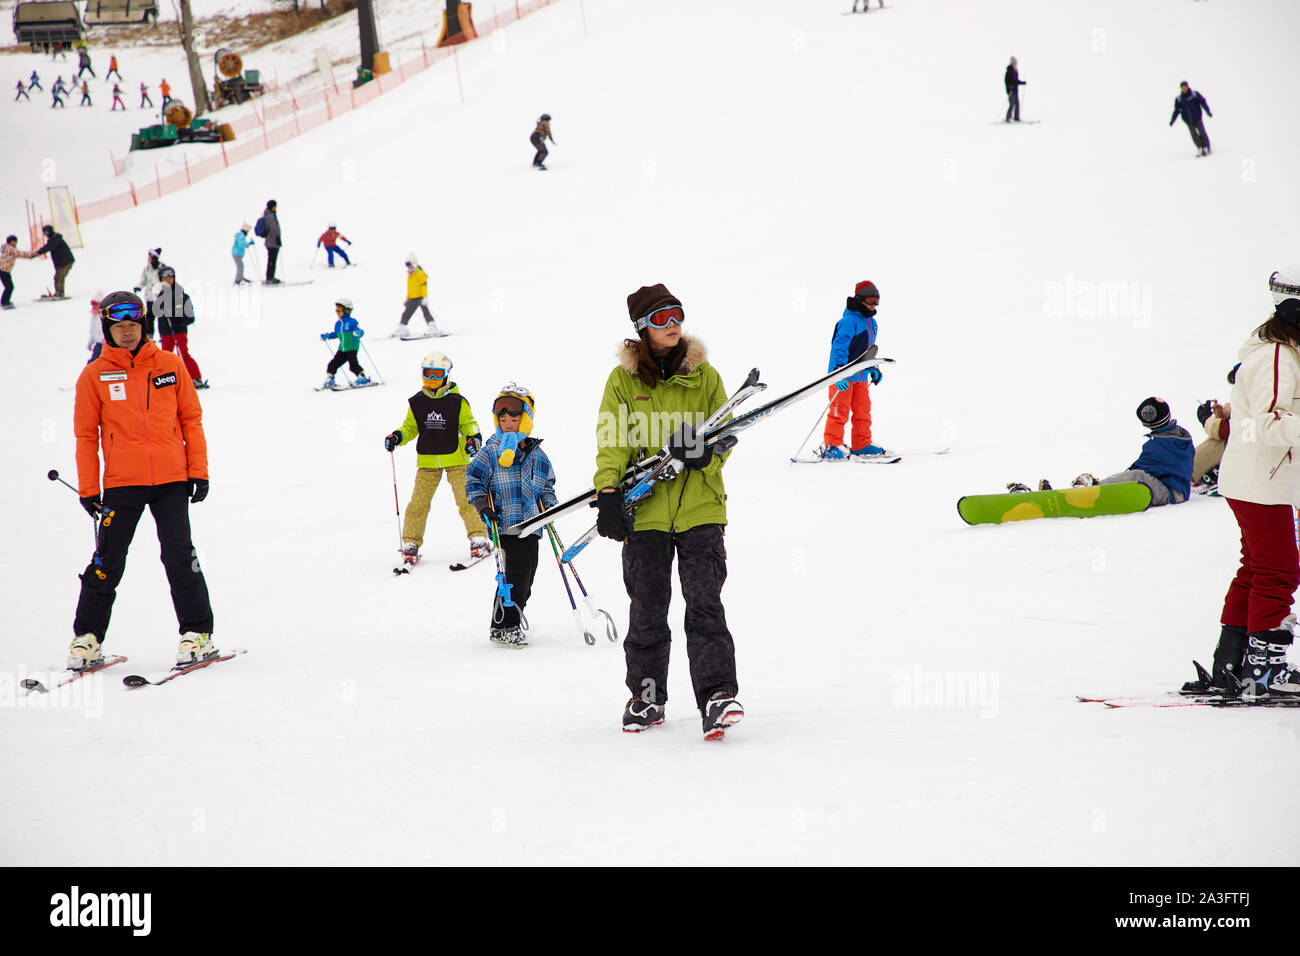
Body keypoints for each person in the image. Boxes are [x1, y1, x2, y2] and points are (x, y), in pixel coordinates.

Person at [593, 283, 745, 739]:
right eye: (660, 318)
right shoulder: (623, 382)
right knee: (647, 610)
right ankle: (646, 698)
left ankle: (718, 697)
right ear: (642, 327)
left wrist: (707, 454)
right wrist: (607, 494)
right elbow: (612, 439)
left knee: (705, 606)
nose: (672, 324)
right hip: (646, 513)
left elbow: (727, 433)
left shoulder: (705, 376)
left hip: (700, 509)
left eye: (676, 314)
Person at [68, 291, 216, 672]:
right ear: (108, 330)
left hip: (171, 479)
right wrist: (88, 488)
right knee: (106, 560)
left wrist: (198, 471)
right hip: (122, 483)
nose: (127, 333)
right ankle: (87, 639)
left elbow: (191, 420)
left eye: (133, 325)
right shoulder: (94, 375)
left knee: (180, 555)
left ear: (143, 325)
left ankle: (197, 633)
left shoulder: (169, 365)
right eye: (119, 327)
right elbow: (86, 436)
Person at [1201, 266, 1300, 700]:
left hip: (1258, 479)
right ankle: (1264, 671)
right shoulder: (1278, 356)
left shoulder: (1280, 351)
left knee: (1258, 568)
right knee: (1278, 570)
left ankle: (1232, 660)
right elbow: (1267, 421)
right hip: (1264, 481)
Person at [465, 384, 557, 647]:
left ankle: (511, 619)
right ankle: (505, 625)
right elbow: (473, 480)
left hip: (532, 524)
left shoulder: (536, 453)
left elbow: (547, 484)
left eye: (514, 419)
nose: (507, 424)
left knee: (528, 576)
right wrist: (483, 506)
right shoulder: (491, 450)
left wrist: (550, 509)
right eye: (502, 419)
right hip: (505, 525)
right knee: (514, 574)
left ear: (526, 419)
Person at [384, 351, 490, 568]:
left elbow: (469, 423)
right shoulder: (417, 403)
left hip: (457, 460)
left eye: (436, 374)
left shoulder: (457, 402)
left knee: (467, 500)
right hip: (428, 461)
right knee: (418, 504)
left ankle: (479, 538)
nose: (431, 379)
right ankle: (410, 543)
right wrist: (398, 436)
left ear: (446, 375)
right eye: (427, 374)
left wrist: (473, 438)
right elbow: (410, 427)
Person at [1007, 398, 1195, 505]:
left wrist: (1119, 479)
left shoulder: (1158, 445)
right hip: (1176, 489)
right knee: (1136, 475)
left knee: (1136, 475)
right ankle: (1092, 486)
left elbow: (1140, 469)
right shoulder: (1182, 436)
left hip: (1171, 492)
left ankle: (1090, 489)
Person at [818, 280, 885, 459]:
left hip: (861, 377)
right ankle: (833, 445)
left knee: (863, 411)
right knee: (839, 411)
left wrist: (873, 367)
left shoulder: (872, 323)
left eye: (876, 302)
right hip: (844, 378)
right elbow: (838, 348)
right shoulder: (848, 322)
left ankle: (862, 443)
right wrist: (838, 375)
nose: (873, 306)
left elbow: (868, 349)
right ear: (860, 300)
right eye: (870, 301)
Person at [153, 266, 207, 388]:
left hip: (179, 330)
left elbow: (190, 316)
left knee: (183, 353)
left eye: (170, 278)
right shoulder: (159, 296)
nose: (168, 281)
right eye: (165, 278)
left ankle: (195, 378)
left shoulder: (182, 295)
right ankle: (166, 381)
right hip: (166, 331)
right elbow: (155, 313)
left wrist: (178, 320)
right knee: (165, 356)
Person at [320, 297, 370, 387]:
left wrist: (358, 333)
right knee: (332, 364)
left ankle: (363, 377)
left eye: (339, 310)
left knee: (353, 365)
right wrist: (328, 336)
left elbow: (360, 331)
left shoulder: (352, 322)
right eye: (336, 310)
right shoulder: (338, 323)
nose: (337, 313)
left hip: (351, 347)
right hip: (342, 349)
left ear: (347, 310)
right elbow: (336, 334)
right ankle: (330, 379)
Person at [18, 224, 75, 298]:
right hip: (61, 262)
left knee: (59, 277)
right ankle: (59, 292)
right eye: (44, 233)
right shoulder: (53, 239)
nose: (45, 234)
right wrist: (36, 254)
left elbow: (49, 247)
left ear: (50, 231)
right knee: (57, 277)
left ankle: (60, 293)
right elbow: (49, 247)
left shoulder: (56, 238)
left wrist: (38, 253)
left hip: (66, 261)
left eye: (47, 233)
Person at [394, 253, 442, 337]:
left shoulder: (419, 273)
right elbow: (410, 289)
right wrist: (407, 299)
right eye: (407, 264)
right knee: (406, 314)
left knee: (425, 313)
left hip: (420, 297)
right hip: (412, 298)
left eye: (409, 264)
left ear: (414, 263)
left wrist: (425, 297)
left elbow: (423, 286)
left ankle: (433, 327)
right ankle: (402, 328)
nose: (408, 266)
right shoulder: (410, 275)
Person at [1170, 81, 1212, 156]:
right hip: (1188, 120)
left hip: (1197, 117)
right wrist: (1172, 120)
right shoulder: (1179, 99)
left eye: (1185, 87)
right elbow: (1177, 110)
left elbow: (1202, 102)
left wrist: (1208, 111)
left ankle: (1206, 147)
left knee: (1201, 131)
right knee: (1194, 134)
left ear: (1187, 86)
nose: (1184, 88)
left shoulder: (1194, 94)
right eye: (1182, 87)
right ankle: (1199, 147)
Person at [259, 200, 281, 283]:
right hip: (272, 241)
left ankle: (270, 277)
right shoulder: (270, 215)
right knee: (272, 260)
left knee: (272, 260)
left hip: (272, 241)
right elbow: (273, 228)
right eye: (275, 206)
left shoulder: (270, 214)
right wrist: (277, 238)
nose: (276, 207)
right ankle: (270, 277)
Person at [1004, 56, 1026, 122]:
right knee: (1012, 104)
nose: (1016, 63)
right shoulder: (1009, 70)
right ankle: (1008, 118)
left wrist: (1022, 83)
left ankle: (1016, 117)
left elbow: (1015, 81)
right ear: (1012, 62)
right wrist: (1010, 87)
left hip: (1015, 90)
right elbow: (1007, 81)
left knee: (1017, 104)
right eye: (1015, 62)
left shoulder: (1015, 70)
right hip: (1011, 91)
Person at [86, 291, 105, 363]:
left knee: (96, 361)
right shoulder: (94, 317)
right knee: (93, 362)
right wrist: (90, 342)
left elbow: (106, 329)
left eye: (96, 307)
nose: (94, 309)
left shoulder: (103, 317)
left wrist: (106, 339)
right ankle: (90, 372)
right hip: (98, 344)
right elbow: (92, 331)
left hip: (105, 345)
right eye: (93, 307)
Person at [0, 235, 17, 309]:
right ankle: (5, 302)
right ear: (9, 241)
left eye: (15, 241)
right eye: (13, 241)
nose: (14, 243)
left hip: (4, 270)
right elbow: (20, 253)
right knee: (9, 286)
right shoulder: (10, 248)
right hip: (4, 270)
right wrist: (32, 254)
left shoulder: (7, 248)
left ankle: (4, 301)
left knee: (9, 286)